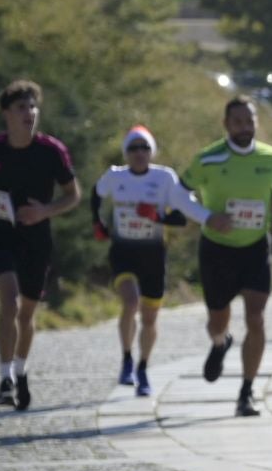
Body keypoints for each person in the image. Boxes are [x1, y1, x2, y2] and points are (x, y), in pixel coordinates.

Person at [0, 80, 82, 410]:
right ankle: (4, 379)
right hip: (0, 235)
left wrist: (45, 210)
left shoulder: (51, 151)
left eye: (33, 107)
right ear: (6, 114)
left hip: (36, 240)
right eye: (21, 108)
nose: (29, 113)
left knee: (27, 312)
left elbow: (73, 195)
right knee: (10, 299)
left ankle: (20, 370)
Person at [93, 125, 232, 396]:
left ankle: (143, 368)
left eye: (144, 148)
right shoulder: (114, 176)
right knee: (130, 301)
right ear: (126, 153)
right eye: (133, 148)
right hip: (123, 251)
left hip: (153, 255)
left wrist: (156, 217)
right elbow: (95, 195)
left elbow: (180, 217)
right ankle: (126, 360)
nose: (139, 153)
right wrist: (98, 223)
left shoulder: (164, 178)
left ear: (152, 152)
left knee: (149, 317)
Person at [182, 96, 272, 417]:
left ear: (257, 122)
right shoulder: (208, 159)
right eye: (238, 122)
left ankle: (246, 391)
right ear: (226, 125)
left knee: (256, 318)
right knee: (218, 321)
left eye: (250, 121)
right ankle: (220, 343)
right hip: (217, 250)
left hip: (255, 248)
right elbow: (178, 191)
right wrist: (206, 216)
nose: (245, 127)